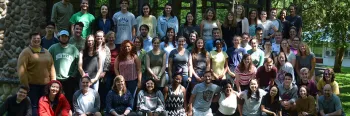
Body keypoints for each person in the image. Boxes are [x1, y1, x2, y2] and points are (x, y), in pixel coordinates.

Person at [18, 32, 56, 116]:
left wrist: (53, 83)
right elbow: (21, 70)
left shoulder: (46, 52)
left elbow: (52, 68)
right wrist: (25, 85)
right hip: (32, 86)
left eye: (38, 38)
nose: (36, 40)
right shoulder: (25, 53)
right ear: (30, 40)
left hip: (46, 86)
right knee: (33, 107)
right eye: (34, 38)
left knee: (44, 106)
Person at [49, 30, 80, 107]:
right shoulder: (53, 48)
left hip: (69, 78)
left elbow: (78, 62)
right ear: (59, 37)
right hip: (56, 78)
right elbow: (47, 60)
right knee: (55, 97)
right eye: (62, 36)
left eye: (65, 36)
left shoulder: (73, 49)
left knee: (69, 97)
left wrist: (74, 74)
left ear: (68, 38)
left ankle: (68, 112)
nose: (64, 38)